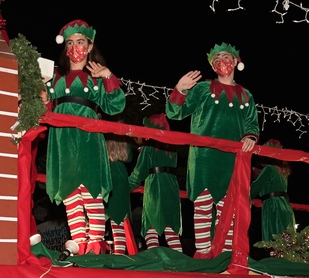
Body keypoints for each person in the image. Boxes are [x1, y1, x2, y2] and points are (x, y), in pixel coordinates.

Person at [166, 43, 259, 258]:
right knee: (202, 208)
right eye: (215, 60)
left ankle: (224, 259)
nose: (221, 62)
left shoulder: (246, 95)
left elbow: (252, 124)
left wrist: (250, 137)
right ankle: (203, 255)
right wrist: (179, 89)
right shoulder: (202, 89)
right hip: (203, 160)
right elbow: (175, 113)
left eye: (225, 57)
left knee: (228, 212)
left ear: (235, 60)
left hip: (231, 161)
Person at [42, 20, 126, 254]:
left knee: (91, 191)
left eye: (80, 42)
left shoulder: (96, 77)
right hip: (62, 142)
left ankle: (96, 246)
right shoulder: (54, 77)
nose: (74, 47)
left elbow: (115, 106)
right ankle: (79, 246)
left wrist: (108, 75)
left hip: (88, 141)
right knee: (70, 193)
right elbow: (44, 109)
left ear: (90, 46)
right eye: (70, 42)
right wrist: (39, 93)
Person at [128, 114, 183, 252]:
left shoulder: (149, 148)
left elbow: (139, 172)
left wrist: (127, 186)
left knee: (150, 227)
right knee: (171, 227)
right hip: (171, 187)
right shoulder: (172, 149)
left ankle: (155, 257)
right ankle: (178, 259)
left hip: (155, 187)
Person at [251, 139, 295, 242]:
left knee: (273, 242)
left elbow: (253, 190)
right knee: (287, 243)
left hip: (273, 207)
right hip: (285, 206)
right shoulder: (284, 172)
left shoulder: (269, 169)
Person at [105, 132, 135, 254]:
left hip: (106, 172)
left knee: (95, 216)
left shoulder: (102, 137)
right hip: (122, 175)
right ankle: (119, 255)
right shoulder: (125, 140)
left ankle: (91, 253)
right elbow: (130, 156)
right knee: (118, 220)